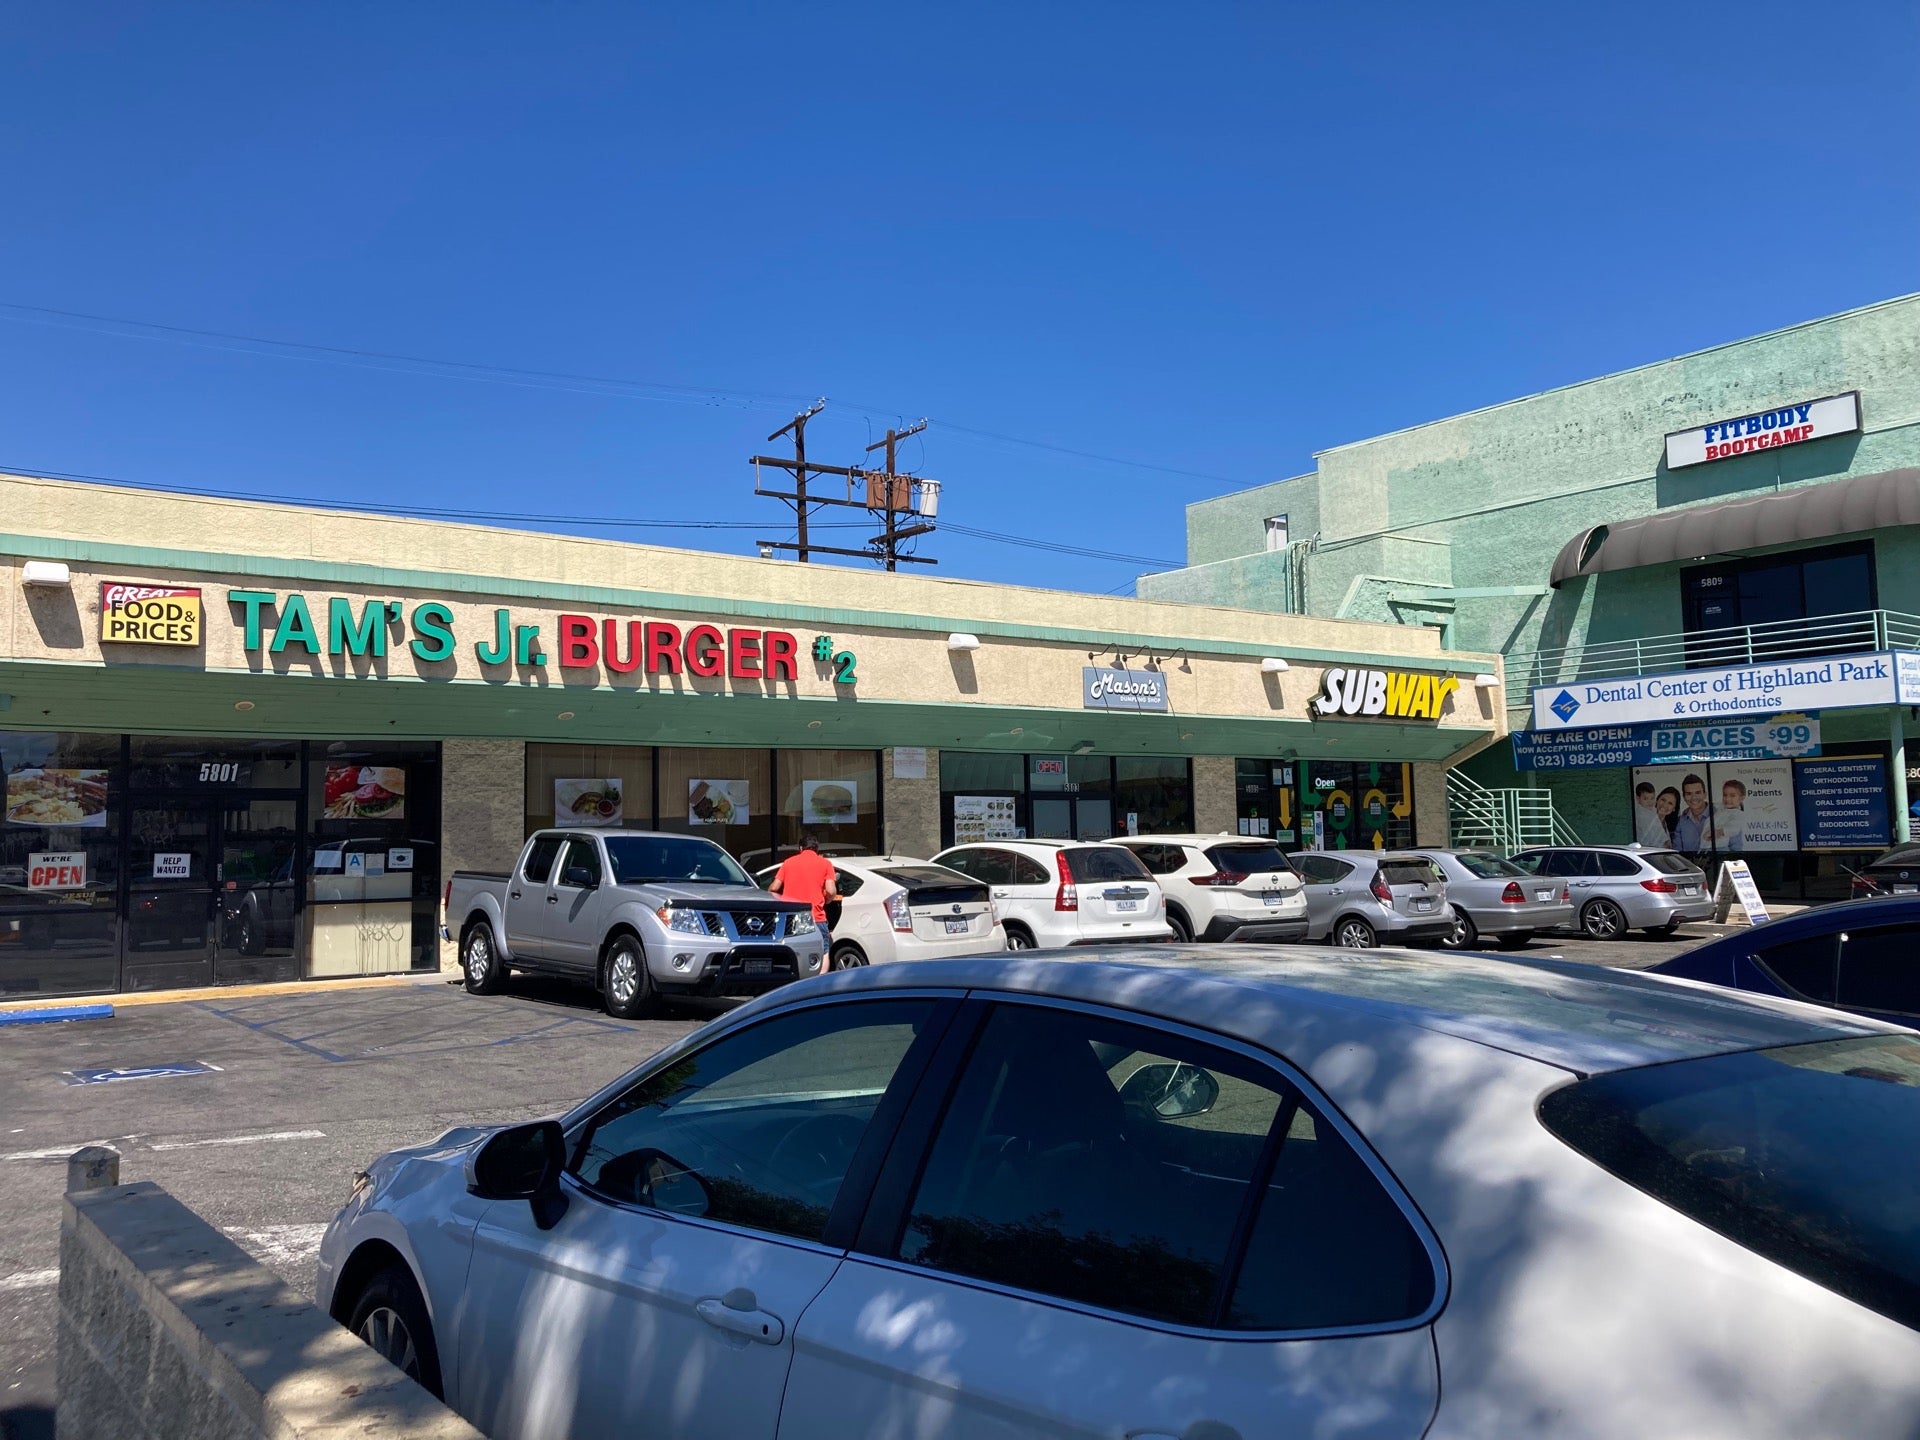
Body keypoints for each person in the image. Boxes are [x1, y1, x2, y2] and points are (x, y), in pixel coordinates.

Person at [769, 830, 840, 944]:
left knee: (793, 951)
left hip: (791, 917)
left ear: (801, 848)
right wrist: (827, 900)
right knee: (823, 952)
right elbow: (831, 891)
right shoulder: (825, 864)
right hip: (816, 917)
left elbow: (774, 888)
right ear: (817, 849)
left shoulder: (788, 863)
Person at [1673, 773, 1714, 854]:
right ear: (1684, 797)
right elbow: (1677, 851)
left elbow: (1735, 848)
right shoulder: (1681, 821)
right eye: (1689, 794)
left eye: (1697, 792)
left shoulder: (1720, 814)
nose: (1694, 798)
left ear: (1705, 794)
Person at [1715, 778, 1748, 854]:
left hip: (1732, 853)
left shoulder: (1738, 815)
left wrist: (1715, 833)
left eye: (1732, 796)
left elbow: (1731, 830)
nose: (1727, 799)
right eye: (1725, 795)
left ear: (1741, 798)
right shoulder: (1723, 810)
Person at [1632, 781, 1668, 848]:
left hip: (1658, 847)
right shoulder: (1639, 815)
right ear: (1638, 798)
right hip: (1647, 847)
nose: (1650, 802)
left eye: (1652, 798)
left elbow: (1658, 829)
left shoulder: (1653, 812)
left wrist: (1666, 840)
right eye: (1645, 799)